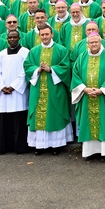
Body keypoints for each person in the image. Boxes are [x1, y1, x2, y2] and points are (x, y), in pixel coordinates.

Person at [24, 25, 73, 155]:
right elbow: (27, 66)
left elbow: (66, 67)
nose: (44, 37)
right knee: (38, 115)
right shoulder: (34, 51)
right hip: (38, 89)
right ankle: (39, 145)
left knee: (54, 114)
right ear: (39, 36)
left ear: (52, 34)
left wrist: (51, 69)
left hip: (55, 89)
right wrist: (38, 69)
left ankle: (55, 146)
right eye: (42, 35)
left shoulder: (61, 50)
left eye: (47, 34)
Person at [71, 34, 105, 161]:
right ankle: (89, 152)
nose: (94, 44)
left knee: (103, 123)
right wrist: (84, 89)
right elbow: (75, 74)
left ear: (100, 42)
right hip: (86, 96)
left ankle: (104, 152)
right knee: (87, 123)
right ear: (87, 44)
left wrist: (102, 90)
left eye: (96, 42)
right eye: (91, 42)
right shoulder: (82, 57)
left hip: (103, 96)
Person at [0, 30, 31, 154]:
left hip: (18, 92)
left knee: (19, 119)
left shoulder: (25, 52)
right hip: (4, 92)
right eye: (10, 37)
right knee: (5, 120)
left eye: (14, 37)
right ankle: (4, 146)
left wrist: (14, 87)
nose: (12, 39)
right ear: (7, 39)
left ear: (19, 38)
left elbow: (25, 72)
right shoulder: (2, 54)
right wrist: (1, 86)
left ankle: (20, 147)